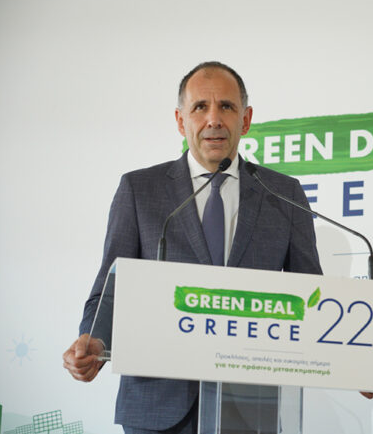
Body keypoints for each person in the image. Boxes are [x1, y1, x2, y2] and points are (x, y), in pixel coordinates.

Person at [62, 61, 324, 433]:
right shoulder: (140, 190)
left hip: (249, 408)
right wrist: (94, 340)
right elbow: (111, 288)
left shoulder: (283, 194)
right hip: (157, 406)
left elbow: (312, 297)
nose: (214, 119)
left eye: (227, 107)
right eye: (200, 107)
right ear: (180, 119)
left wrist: (354, 362)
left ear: (246, 120)